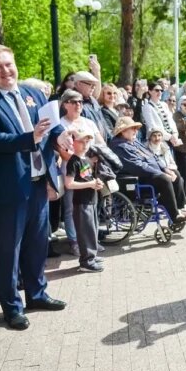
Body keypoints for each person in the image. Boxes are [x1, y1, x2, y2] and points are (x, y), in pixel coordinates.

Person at [0, 44, 71, 330]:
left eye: (8, 64)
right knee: (7, 252)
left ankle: (37, 295)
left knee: (38, 244)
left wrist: (60, 137)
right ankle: (12, 307)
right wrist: (30, 138)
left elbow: (52, 124)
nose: (5, 71)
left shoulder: (32, 92)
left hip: (38, 183)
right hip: (6, 189)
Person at [110, 117, 186, 224]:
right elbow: (137, 166)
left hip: (147, 174)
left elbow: (152, 156)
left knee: (175, 174)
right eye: (133, 128)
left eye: (136, 128)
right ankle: (174, 215)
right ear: (123, 131)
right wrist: (161, 172)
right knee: (164, 179)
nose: (136, 131)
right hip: (136, 180)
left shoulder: (134, 142)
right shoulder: (119, 146)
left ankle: (182, 207)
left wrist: (165, 168)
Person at [59, 89, 106, 256]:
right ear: (65, 104)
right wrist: (81, 158)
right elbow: (61, 150)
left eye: (80, 101)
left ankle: (91, 241)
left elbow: (101, 144)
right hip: (70, 169)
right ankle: (74, 241)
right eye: (74, 101)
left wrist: (95, 157)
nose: (78, 104)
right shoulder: (60, 124)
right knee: (71, 206)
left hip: (90, 171)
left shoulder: (88, 122)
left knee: (91, 206)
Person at [64, 129, 104, 273]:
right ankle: (86, 261)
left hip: (91, 200)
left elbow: (87, 178)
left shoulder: (86, 159)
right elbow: (69, 183)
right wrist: (90, 184)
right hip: (81, 202)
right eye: (81, 141)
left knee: (92, 229)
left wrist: (96, 182)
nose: (85, 144)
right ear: (73, 143)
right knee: (85, 232)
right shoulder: (73, 161)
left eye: (87, 141)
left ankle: (91, 255)